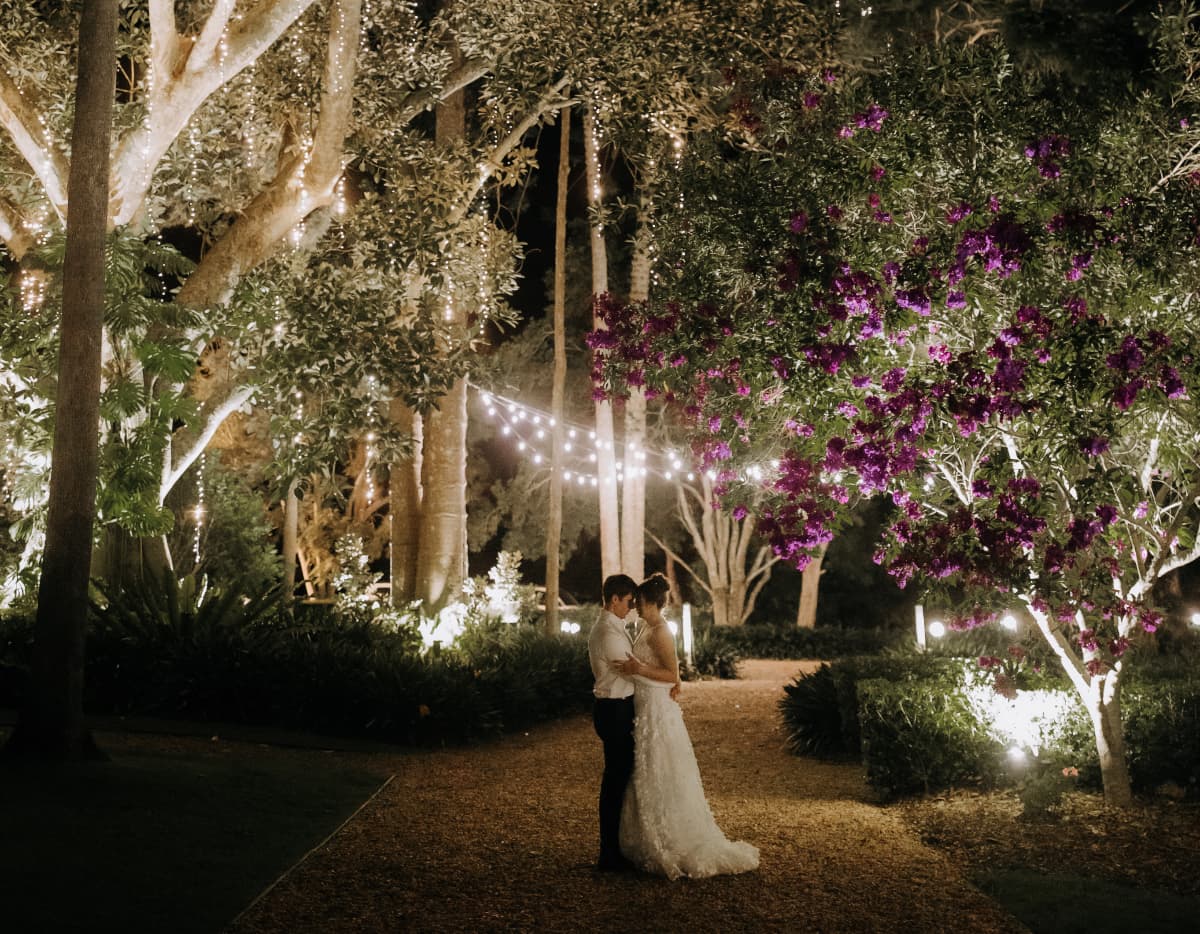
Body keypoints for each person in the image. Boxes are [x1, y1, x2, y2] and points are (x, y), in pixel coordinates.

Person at [611, 573, 760, 879]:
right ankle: (643, 835)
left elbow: (672, 675)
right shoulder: (644, 627)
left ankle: (672, 838)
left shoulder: (661, 632)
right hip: (643, 706)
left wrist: (639, 668)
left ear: (651, 602)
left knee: (660, 767)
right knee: (645, 770)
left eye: (639, 601)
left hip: (656, 709)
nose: (635, 605)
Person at [587, 573, 639, 871]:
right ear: (615, 599)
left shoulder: (612, 627)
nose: (631, 608)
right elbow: (630, 672)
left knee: (618, 779)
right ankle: (609, 853)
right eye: (629, 602)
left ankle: (613, 848)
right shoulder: (608, 633)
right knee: (615, 782)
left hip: (616, 707)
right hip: (614, 709)